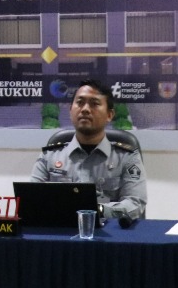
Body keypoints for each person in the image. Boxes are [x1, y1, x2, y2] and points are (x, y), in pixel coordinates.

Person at [29, 79, 146, 222]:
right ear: (70, 110)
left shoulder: (127, 157)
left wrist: (97, 210)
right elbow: (31, 199)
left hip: (109, 233)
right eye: (80, 102)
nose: (85, 109)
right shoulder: (49, 156)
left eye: (94, 104)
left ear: (110, 115)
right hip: (62, 232)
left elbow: (135, 203)